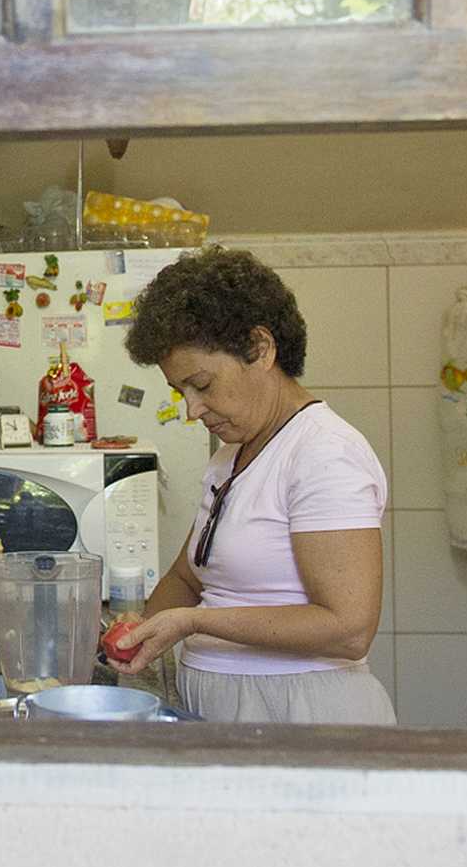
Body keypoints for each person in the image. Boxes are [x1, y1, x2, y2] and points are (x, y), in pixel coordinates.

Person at [113, 247, 394, 725]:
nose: (192, 410)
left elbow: (348, 628)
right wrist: (139, 630)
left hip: (304, 717)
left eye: (201, 384)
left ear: (261, 349)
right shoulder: (231, 458)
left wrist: (194, 621)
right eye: (181, 392)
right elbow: (188, 577)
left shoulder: (323, 453)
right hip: (235, 713)